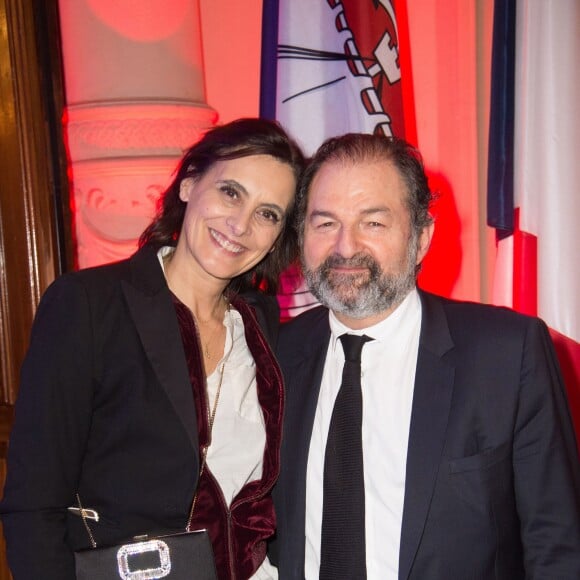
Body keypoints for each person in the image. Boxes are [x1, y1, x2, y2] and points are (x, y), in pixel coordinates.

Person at [0, 117, 305, 580]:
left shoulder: (262, 328)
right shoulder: (89, 306)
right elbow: (32, 503)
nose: (240, 224)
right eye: (230, 192)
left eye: (268, 213)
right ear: (188, 184)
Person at [272, 133, 580, 579]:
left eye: (373, 223)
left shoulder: (508, 354)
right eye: (324, 223)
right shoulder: (275, 356)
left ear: (420, 239)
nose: (344, 246)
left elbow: (558, 545)